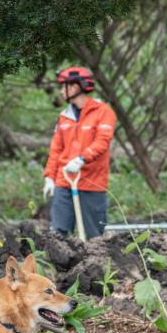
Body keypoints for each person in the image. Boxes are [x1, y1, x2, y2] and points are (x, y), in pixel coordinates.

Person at [43, 67, 116, 239]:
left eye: (64, 87)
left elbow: (102, 141)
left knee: (94, 237)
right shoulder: (64, 116)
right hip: (64, 182)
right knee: (58, 236)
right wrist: (49, 178)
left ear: (75, 87)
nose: (61, 91)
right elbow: (56, 149)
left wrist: (82, 159)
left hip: (91, 183)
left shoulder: (103, 112)